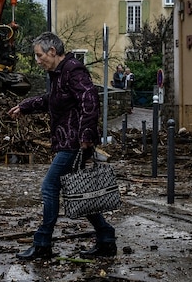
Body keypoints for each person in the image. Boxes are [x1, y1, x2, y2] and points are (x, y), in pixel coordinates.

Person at [8, 32, 116, 260]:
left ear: (52, 52)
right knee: (77, 190)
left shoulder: (73, 70)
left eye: (39, 56)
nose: (37, 61)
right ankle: (106, 237)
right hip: (70, 140)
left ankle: (43, 243)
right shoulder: (59, 74)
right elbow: (52, 100)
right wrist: (25, 106)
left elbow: (89, 99)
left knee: (49, 186)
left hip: (74, 142)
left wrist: (86, 134)